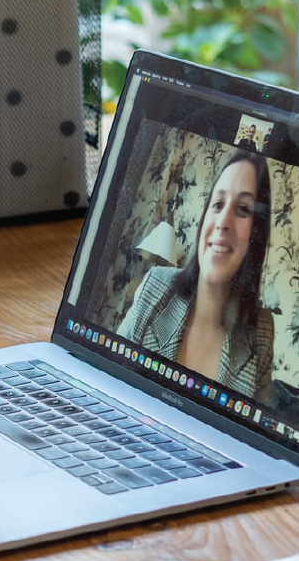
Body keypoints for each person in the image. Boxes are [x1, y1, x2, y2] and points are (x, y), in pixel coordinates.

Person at [118, 150, 276, 403]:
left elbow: (254, 433)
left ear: (256, 234)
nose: (223, 222)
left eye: (243, 209)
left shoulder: (262, 330)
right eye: (217, 204)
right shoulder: (156, 286)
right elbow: (107, 376)